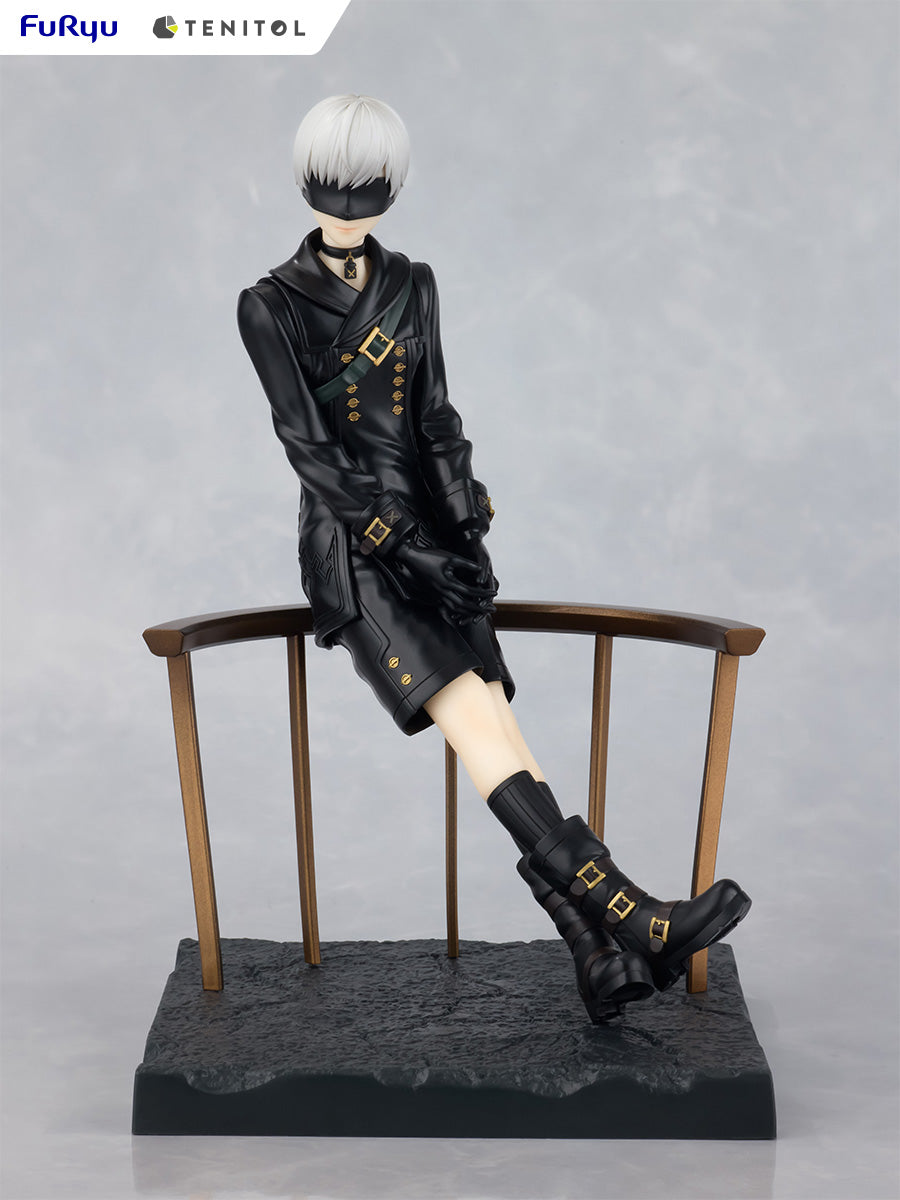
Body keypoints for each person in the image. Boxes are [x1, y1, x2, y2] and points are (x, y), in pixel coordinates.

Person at [238, 94, 750, 1023]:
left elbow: (435, 417)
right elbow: (311, 450)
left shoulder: (414, 284)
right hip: (355, 549)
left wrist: (466, 533)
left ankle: (597, 954)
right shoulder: (268, 304)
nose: (347, 205)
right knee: (478, 723)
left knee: (500, 729)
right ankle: (639, 917)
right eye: (330, 184)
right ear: (304, 183)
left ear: (392, 187)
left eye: (366, 185)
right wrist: (404, 548)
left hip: (436, 535)